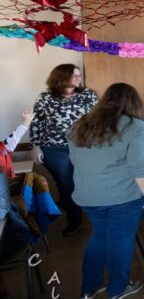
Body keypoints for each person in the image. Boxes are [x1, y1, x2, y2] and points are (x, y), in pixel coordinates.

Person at [67, 83, 144, 299]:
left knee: (100, 236)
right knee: (120, 240)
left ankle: (89, 288)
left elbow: (75, 160)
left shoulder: (81, 124)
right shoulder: (135, 126)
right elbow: (141, 168)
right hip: (121, 197)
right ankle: (118, 289)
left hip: (87, 195)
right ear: (134, 102)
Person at [30, 63, 97, 236]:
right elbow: (37, 123)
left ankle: (97, 217)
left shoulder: (88, 95)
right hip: (55, 149)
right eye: (74, 75)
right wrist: (36, 146)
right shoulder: (45, 97)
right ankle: (75, 221)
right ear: (61, 77)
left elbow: (97, 120)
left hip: (84, 147)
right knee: (66, 184)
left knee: (88, 181)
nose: (78, 78)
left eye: (79, 75)